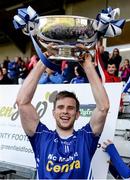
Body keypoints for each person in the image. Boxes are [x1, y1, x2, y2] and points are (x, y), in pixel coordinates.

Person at [16, 49, 109, 179]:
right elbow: (22, 103)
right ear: (53, 113)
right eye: (60, 107)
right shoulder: (41, 137)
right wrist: (44, 60)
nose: (65, 111)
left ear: (77, 114)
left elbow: (103, 108)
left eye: (70, 108)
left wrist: (87, 65)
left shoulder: (86, 137)